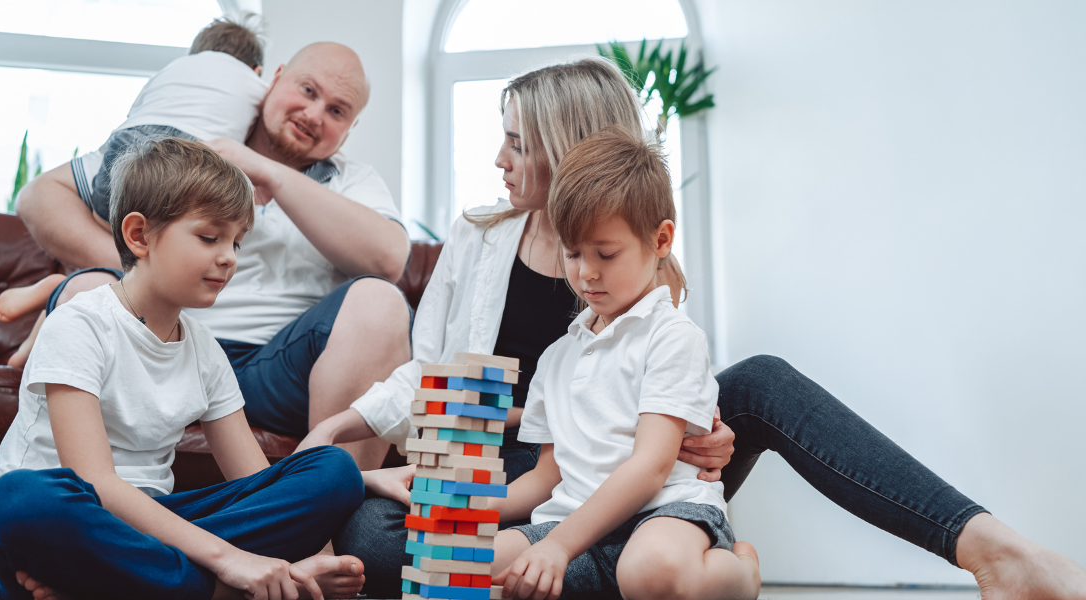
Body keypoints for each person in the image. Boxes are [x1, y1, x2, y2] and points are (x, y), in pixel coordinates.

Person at [320, 58, 1086, 599]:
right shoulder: (477, 236)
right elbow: (432, 371)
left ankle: (993, 549)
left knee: (762, 382)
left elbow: (664, 385)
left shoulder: (642, 253)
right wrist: (341, 428)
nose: (499, 158)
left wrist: (705, 426)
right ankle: (638, 569)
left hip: (644, 464)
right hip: (528, 470)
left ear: (567, 146)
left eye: (517, 142)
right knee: (373, 541)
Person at [0, 138, 367, 600]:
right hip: (73, 520)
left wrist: (350, 497)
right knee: (16, 500)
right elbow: (95, 481)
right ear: (139, 236)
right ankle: (217, 589)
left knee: (333, 471)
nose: (229, 257)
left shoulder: (205, 350)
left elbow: (254, 482)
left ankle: (115, 585)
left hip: (153, 532)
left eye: (236, 242)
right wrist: (229, 559)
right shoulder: (80, 324)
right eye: (210, 237)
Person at [8, 41, 413, 469]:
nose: (314, 114)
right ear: (273, 79)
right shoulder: (192, 148)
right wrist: (142, 263)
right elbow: (39, 197)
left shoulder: (355, 181)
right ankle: (81, 502)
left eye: (337, 111)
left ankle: (337, 508)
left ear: (350, 129)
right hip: (160, 345)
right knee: (91, 288)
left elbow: (389, 259)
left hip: (280, 371)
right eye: (308, 91)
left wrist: (265, 170)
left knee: (380, 301)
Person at [486, 127, 761, 600]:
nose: (586, 272)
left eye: (606, 254)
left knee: (647, 570)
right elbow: (547, 476)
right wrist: (468, 506)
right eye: (573, 253)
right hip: (574, 519)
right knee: (473, 564)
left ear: (661, 240)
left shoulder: (672, 336)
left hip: (665, 514)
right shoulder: (557, 357)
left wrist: (559, 547)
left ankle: (742, 571)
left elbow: (651, 467)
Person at [0, 12, 269, 330]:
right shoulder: (256, 85)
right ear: (256, 69)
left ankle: (64, 289)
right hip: (184, 155)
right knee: (151, 265)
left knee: (134, 254)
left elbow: (136, 111)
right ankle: (65, 287)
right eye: (209, 238)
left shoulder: (171, 70)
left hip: (127, 149)